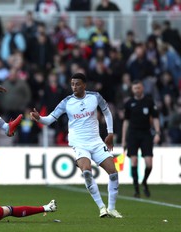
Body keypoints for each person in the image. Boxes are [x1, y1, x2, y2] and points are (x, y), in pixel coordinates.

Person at [30, 72, 122, 218]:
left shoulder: (95, 97)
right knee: (86, 172)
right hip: (79, 143)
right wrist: (39, 118)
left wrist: (110, 133)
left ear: (84, 85)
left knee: (113, 172)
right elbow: (49, 119)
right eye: (72, 84)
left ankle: (112, 208)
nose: (74, 87)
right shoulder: (66, 102)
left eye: (77, 84)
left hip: (96, 142)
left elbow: (107, 111)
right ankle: (101, 207)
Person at [121, 81, 160, 198]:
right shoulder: (129, 103)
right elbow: (126, 121)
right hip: (132, 135)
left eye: (138, 88)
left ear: (142, 88)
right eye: (134, 88)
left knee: (149, 163)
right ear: (132, 90)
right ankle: (136, 189)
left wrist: (158, 133)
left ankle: (144, 182)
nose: (137, 90)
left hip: (146, 134)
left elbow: (156, 118)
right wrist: (124, 139)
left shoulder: (149, 101)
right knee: (134, 161)